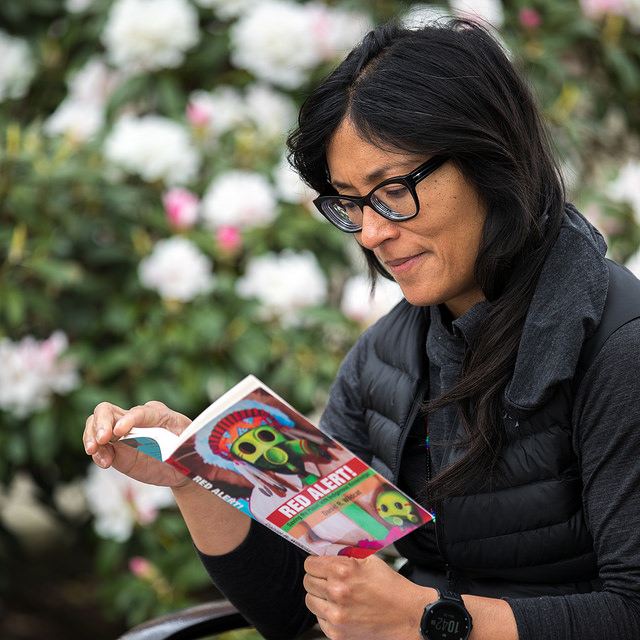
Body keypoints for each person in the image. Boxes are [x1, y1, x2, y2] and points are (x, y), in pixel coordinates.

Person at [83, 18, 640, 640]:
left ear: (492, 160)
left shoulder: (620, 349)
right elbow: (302, 612)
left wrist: (427, 619)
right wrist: (199, 476)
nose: (372, 233)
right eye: (350, 203)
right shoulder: (385, 358)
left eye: (392, 190)